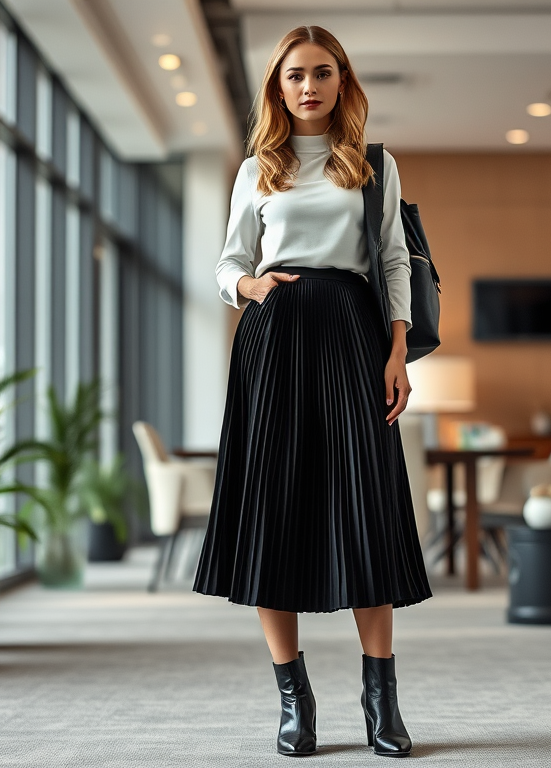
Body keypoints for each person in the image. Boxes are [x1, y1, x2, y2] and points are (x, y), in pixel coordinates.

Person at [193, 25, 432, 758]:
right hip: (274, 340)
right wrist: (251, 285)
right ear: (278, 85)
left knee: (367, 508)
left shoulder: (372, 165)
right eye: (295, 74)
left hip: (355, 336)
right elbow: (226, 263)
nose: (308, 86)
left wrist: (397, 352)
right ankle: (293, 702)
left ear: (341, 81)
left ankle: (381, 703)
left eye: (322, 72)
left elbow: (394, 260)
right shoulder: (256, 168)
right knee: (273, 513)